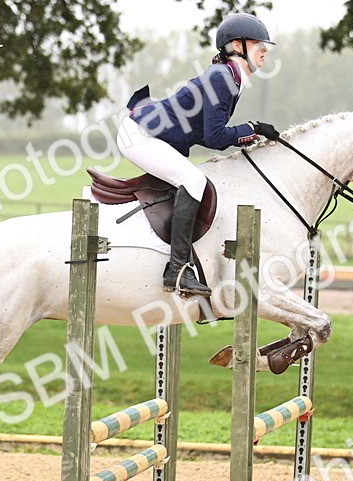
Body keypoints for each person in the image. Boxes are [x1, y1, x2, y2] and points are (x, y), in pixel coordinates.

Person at [118, 12, 283, 297]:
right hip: (140, 135)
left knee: (194, 179)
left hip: (152, 134)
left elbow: (212, 135)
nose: (264, 49)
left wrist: (250, 133)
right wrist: (252, 129)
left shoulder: (229, 77)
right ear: (236, 46)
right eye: (257, 42)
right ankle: (177, 270)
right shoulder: (223, 78)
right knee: (194, 181)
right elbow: (215, 137)